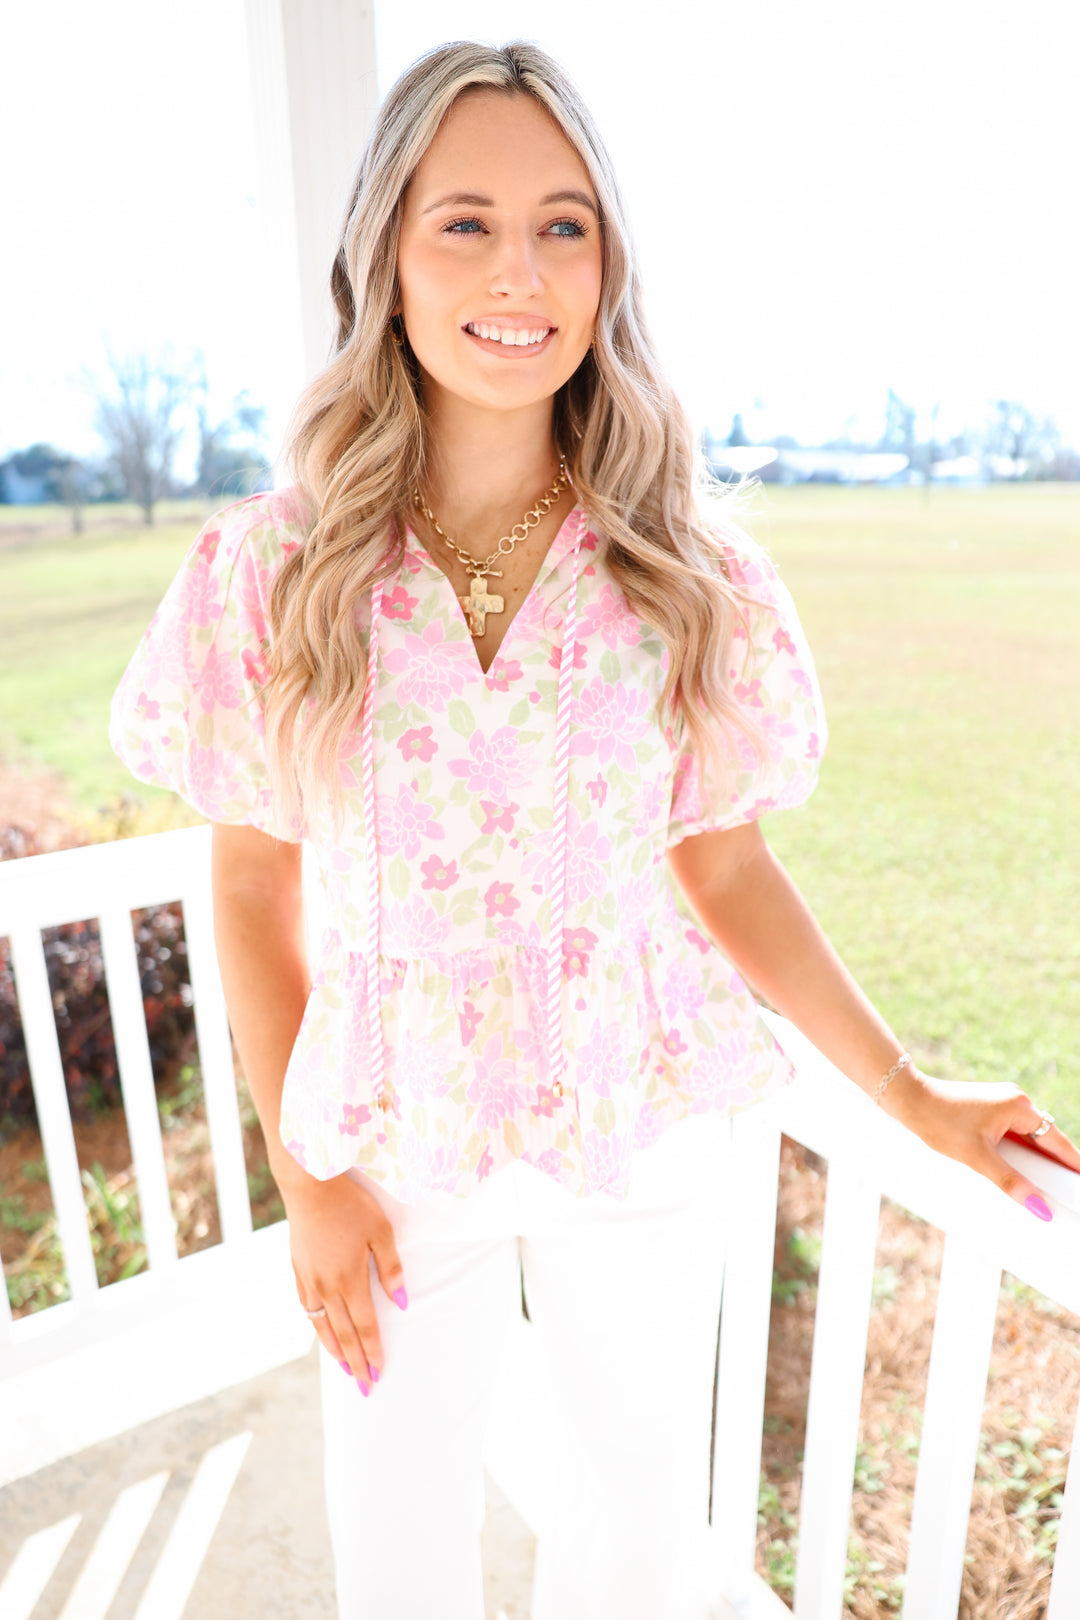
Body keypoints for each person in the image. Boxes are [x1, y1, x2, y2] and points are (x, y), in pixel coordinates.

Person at [109, 39, 1079, 1620]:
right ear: (386, 257)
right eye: (465, 222)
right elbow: (251, 887)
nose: (520, 269)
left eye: (565, 225)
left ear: (610, 262)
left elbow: (728, 865)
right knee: (400, 1555)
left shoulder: (687, 569)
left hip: (650, 1133)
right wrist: (314, 1182)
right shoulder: (267, 576)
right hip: (394, 1141)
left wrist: (912, 1094)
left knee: (634, 1550)